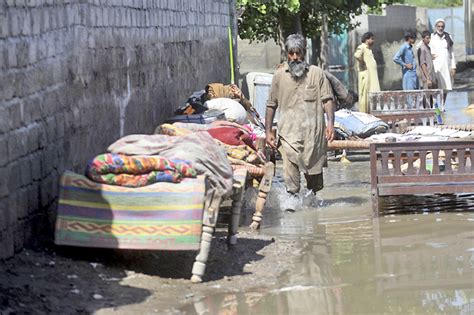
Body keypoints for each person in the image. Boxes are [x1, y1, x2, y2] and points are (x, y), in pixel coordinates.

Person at [265, 34, 335, 196]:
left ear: (304, 52)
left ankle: (312, 216)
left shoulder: (316, 74)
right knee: (292, 187)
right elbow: (271, 105)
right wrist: (268, 131)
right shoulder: (279, 76)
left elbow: (327, 100)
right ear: (287, 54)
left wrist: (330, 124)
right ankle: (293, 211)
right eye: (291, 53)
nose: (295, 57)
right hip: (289, 137)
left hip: (313, 138)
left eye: (299, 53)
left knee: (314, 189)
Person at [430, 18, 456, 106]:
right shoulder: (431, 37)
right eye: (439, 26)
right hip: (436, 67)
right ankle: (435, 105)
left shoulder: (448, 37)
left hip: (446, 67)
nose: (440, 28)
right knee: (436, 87)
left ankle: (442, 105)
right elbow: (421, 47)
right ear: (436, 27)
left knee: (446, 87)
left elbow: (452, 53)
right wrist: (430, 55)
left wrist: (453, 66)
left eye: (442, 26)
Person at [354, 32, 380, 113]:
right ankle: (364, 113)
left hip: (372, 76)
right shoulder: (362, 47)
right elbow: (357, 56)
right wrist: (362, 63)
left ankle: (370, 112)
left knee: (371, 95)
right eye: (372, 39)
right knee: (364, 94)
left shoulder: (368, 49)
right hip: (366, 75)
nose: (373, 41)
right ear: (366, 39)